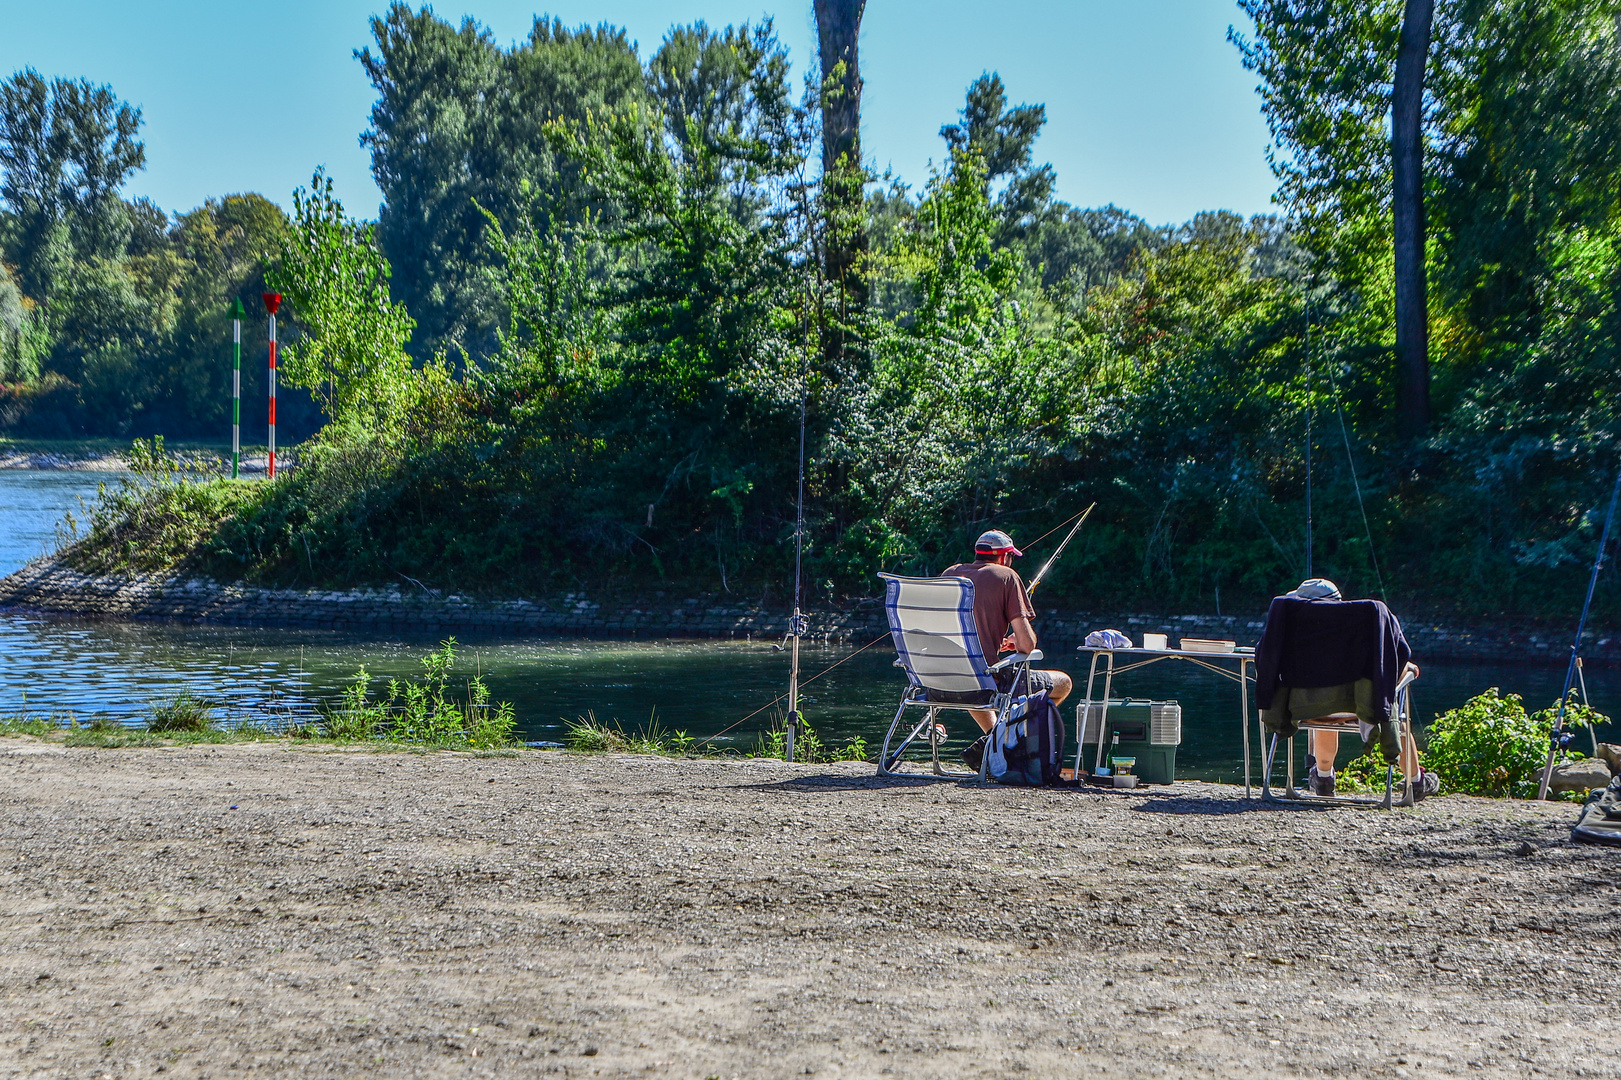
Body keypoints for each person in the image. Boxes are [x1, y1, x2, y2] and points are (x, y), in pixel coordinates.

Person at [941, 530, 1073, 735]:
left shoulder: (950, 574)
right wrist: (1017, 640)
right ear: (1004, 556)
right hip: (983, 683)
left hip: (940, 681)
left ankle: (995, 738)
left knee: (970, 676)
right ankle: (1013, 741)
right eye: (1011, 557)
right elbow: (1027, 645)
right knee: (1064, 683)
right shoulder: (1007, 576)